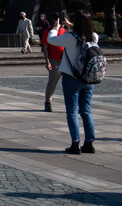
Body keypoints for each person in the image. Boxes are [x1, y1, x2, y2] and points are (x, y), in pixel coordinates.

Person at [47, 11, 99, 154]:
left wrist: (55, 28)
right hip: (89, 78)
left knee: (72, 112)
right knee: (86, 111)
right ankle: (89, 143)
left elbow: (51, 40)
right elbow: (84, 30)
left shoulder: (70, 37)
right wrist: (72, 24)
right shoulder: (94, 37)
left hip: (71, 78)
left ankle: (75, 143)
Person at [41, 16, 67, 112]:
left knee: (69, 83)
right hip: (54, 60)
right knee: (52, 83)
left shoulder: (64, 30)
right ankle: (48, 102)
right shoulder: (48, 31)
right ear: (54, 20)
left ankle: (71, 104)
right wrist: (47, 61)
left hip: (65, 60)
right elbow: (45, 48)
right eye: (60, 20)